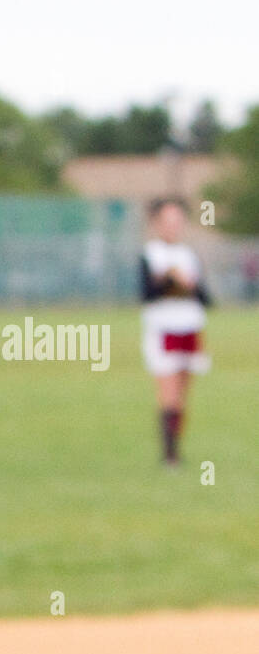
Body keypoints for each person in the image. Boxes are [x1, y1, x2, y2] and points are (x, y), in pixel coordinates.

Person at [139, 196, 212, 466]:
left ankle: (176, 445)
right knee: (168, 392)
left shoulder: (188, 255)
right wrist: (170, 279)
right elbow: (147, 294)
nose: (173, 226)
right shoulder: (151, 255)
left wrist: (190, 284)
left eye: (177, 220)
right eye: (168, 221)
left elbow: (206, 299)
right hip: (164, 329)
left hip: (190, 328)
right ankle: (170, 454)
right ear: (157, 223)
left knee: (182, 395)